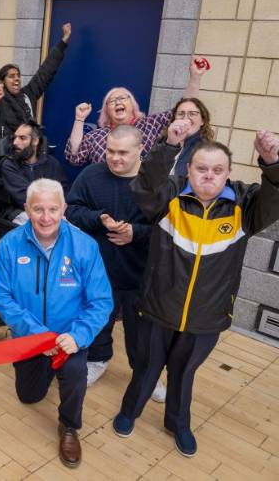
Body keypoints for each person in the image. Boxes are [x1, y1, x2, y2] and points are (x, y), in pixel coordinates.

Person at [112, 128, 279, 458]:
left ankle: (178, 424)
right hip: (159, 308)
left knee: (184, 374)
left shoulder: (245, 205)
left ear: (228, 173)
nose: (209, 176)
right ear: (188, 168)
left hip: (207, 316)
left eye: (218, 170)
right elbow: (144, 187)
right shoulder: (170, 195)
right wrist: (169, 145)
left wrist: (272, 163)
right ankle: (129, 411)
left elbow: (275, 199)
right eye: (201, 168)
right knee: (146, 367)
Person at [0, 178, 113, 468]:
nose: (46, 217)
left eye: (53, 209)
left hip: (70, 337)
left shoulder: (85, 246)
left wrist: (78, 336)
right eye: (38, 209)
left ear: (64, 209)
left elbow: (101, 301)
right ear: (26, 210)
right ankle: (44, 370)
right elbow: (1, 295)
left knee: (74, 373)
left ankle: (69, 426)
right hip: (30, 337)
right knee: (29, 397)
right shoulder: (10, 245)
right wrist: (37, 335)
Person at [65, 126, 166, 401]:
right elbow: (72, 210)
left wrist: (135, 233)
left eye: (123, 152)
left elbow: (167, 229)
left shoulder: (155, 183)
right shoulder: (91, 175)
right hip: (99, 271)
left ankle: (146, 374)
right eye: (110, 151)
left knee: (141, 333)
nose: (115, 158)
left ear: (140, 150)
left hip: (140, 274)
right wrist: (99, 218)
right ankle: (98, 360)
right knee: (98, 322)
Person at [65, 58, 208, 166]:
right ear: (107, 111)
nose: (118, 102)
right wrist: (79, 119)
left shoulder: (152, 123)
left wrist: (195, 78)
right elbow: (74, 157)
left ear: (133, 105)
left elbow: (185, 111)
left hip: (145, 195)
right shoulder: (96, 136)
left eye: (123, 98)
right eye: (112, 101)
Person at [0, 21, 71, 158]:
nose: (17, 79)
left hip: (25, 156)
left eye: (18, 76)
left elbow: (45, 72)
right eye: (11, 76)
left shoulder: (28, 94)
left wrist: (63, 43)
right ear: (1, 81)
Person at [0, 122, 68, 220]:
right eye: (15, 138)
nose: (15, 143)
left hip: (50, 210)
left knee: (69, 228)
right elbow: (25, 198)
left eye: (22, 138)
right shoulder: (8, 165)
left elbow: (63, 192)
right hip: (18, 211)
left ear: (35, 141)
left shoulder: (51, 163)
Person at [164, 97, 215, 177]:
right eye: (181, 113)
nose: (185, 118)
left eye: (192, 114)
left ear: (202, 121)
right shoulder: (162, 143)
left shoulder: (206, 150)